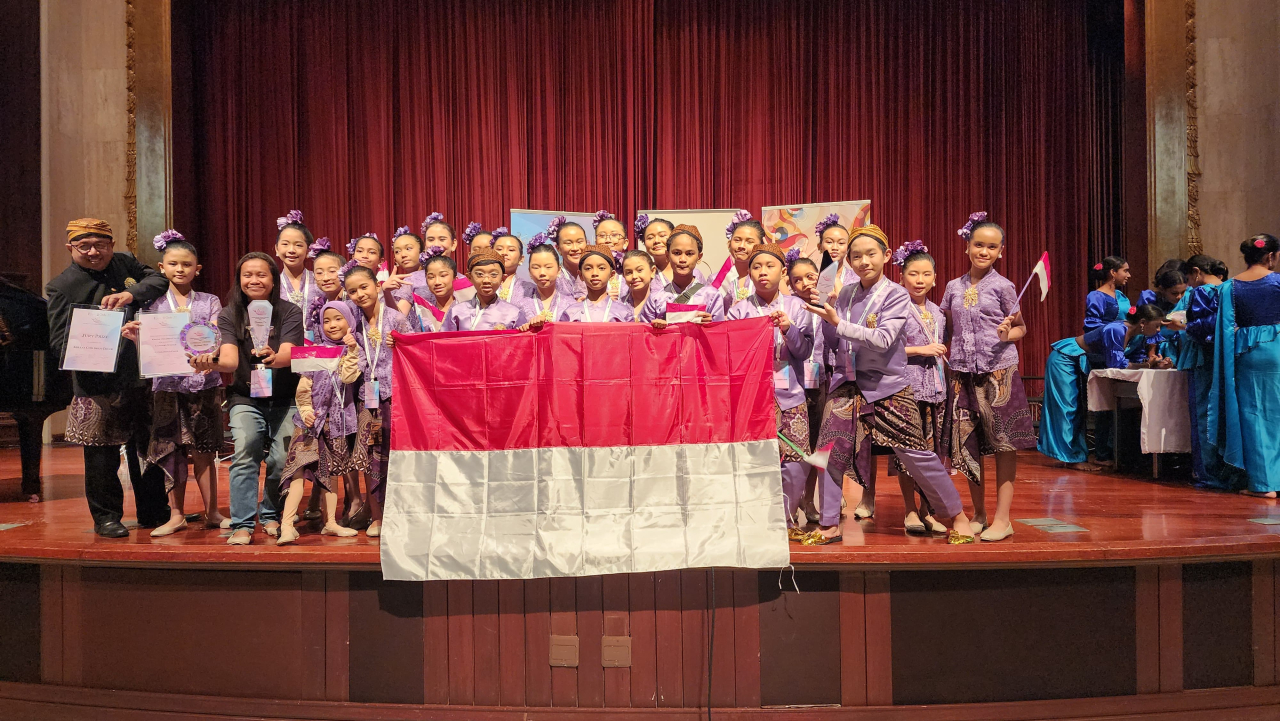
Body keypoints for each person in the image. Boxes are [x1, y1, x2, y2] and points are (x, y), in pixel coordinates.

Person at [807, 224, 976, 544]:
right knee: (827, 452)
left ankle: (956, 513)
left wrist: (838, 322)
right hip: (848, 382)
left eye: (870, 254)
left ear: (885, 256)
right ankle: (829, 522)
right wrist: (823, 314)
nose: (862, 261)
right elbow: (833, 341)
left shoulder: (896, 295)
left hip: (888, 385)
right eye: (856, 256)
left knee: (915, 454)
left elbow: (884, 340)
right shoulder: (845, 293)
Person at [46, 218, 170, 537]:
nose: (93, 252)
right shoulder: (61, 286)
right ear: (70, 248)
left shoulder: (123, 263)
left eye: (100, 245)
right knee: (101, 454)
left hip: (139, 374)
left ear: (111, 246)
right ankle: (106, 517)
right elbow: (59, 343)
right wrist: (107, 337)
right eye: (84, 246)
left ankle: (154, 511)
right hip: (96, 382)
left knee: (146, 449)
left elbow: (158, 281)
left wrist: (130, 296)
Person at [191, 252, 303, 545]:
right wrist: (210, 363)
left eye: (262, 274)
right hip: (245, 397)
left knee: (282, 459)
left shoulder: (290, 311)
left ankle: (269, 515)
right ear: (239, 280)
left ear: (273, 279)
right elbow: (228, 359)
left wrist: (274, 357)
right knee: (247, 448)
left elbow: (290, 353)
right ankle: (241, 524)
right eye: (247, 275)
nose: (254, 280)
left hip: (284, 397)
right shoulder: (229, 313)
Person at [120, 230, 226, 536]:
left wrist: (211, 353)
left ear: (197, 269)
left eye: (186, 264)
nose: (180, 269)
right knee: (172, 450)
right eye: (173, 264)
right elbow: (152, 350)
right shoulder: (152, 306)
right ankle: (176, 513)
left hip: (204, 385)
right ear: (161, 267)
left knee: (205, 450)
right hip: (167, 387)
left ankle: (213, 512)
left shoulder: (209, 301)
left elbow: (217, 336)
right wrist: (137, 339)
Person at [939, 214, 1037, 542]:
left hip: (999, 373)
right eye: (978, 244)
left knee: (1004, 444)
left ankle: (1003, 518)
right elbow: (948, 328)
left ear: (1001, 251)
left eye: (991, 247)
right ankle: (978, 512)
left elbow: (1021, 327)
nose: (984, 251)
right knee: (968, 444)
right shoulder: (953, 287)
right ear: (967, 246)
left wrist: (1010, 333)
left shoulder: (1004, 286)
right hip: (962, 373)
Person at [726, 243, 814, 538]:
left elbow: (803, 352)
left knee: (795, 458)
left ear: (783, 271)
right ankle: (754, 520)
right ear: (748, 272)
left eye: (770, 266)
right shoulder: (738, 310)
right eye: (756, 266)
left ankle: (787, 520)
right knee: (753, 459)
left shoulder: (797, 308)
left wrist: (789, 329)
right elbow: (730, 354)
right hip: (750, 396)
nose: (763, 271)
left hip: (789, 392)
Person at [1037, 304, 1169, 471]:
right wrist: (1146, 365)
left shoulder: (1136, 335)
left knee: (1077, 409)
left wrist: (1155, 363)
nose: (1158, 330)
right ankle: (1071, 458)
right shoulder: (1116, 329)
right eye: (1156, 325)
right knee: (1068, 409)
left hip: (1079, 362)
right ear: (1142, 322)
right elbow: (1117, 364)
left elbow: (1134, 362)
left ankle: (1074, 455)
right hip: (1065, 359)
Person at [276, 301, 363, 544]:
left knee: (331, 473)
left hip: (337, 423)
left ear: (349, 321)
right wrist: (305, 411)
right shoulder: (314, 351)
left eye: (338, 319)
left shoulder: (355, 350)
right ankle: (286, 525)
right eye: (326, 320)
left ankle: (331, 523)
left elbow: (349, 376)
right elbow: (304, 387)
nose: (332, 325)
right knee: (297, 471)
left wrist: (353, 350)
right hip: (309, 424)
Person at [1207, 234, 1280, 498]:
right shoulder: (1278, 282)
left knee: (1255, 417)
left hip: (1248, 352)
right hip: (1278, 347)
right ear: (1271, 256)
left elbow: (1224, 329)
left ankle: (1264, 484)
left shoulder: (1229, 287)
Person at [344, 265, 412, 537]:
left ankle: (402, 514)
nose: (359, 294)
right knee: (370, 459)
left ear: (376, 285)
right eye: (352, 291)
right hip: (366, 401)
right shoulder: (351, 323)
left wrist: (402, 345)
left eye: (364, 287)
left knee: (397, 459)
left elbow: (414, 349)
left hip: (396, 399)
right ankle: (376, 517)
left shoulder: (395, 318)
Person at [889, 241, 948, 535]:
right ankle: (909, 510)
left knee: (933, 452)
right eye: (913, 274)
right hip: (907, 389)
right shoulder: (897, 309)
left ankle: (928, 511)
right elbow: (888, 348)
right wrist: (923, 350)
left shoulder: (939, 313)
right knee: (908, 452)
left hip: (935, 390)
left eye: (926, 274)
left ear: (935, 278)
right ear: (901, 277)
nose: (920, 280)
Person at [309, 246, 367, 526]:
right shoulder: (315, 305)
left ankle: (357, 499)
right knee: (331, 446)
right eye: (318, 271)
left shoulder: (354, 301)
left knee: (351, 444)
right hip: (325, 386)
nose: (325, 276)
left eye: (332, 270)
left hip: (356, 384)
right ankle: (332, 504)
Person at [1178, 254, 1242, 489]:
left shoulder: (1203, 292)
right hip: (1228, 356)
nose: (1188, 283)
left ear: (1196, 272)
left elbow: (1204, 326)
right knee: (1226, 412)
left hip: (1204, 358)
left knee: (1204, 413)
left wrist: (1183, 326)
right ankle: (1230, 469)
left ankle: (1208, 471)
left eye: (1188, 278)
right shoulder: (1232, 288)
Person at [639, 225, 726, 326]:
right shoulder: (656, 299)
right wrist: (656, 330)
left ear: (699, 257)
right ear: (667, 256)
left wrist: (711, 325)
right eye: (677, 253)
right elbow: (643, 335)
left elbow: (720, 336)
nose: (683, 259)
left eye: (689, 254)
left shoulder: (711, 296)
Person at [443, 249, 530, 331]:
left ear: (503, 278)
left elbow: (522, 343)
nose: (486, 280)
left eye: (493, 274)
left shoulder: (514, 313)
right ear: (469, 277)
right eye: (480, 274)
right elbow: (444, 342)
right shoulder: (457, 311)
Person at [275, 210, 320, 338]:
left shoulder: (319, 281)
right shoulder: (272, 284)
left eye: (298, 245)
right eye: (285, 244)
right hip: (282, 346)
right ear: (277, 249)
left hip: (317, 347)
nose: (291, 250)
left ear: (308, 251)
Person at [559, 247, 634, 322]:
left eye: (601, 268)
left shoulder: (623, 312)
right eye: (588, 268)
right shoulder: (570, 313)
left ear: (612, 274)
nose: (595, 273)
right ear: (581, 275)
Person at [637, 215, 706, 291]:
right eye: (650, 237)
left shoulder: (695, 273)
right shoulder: (643, 274)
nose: (656, 241)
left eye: (662, 235)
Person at [421, 212, 476, 302]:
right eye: (431, 240)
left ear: (453, 244)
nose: (436, 244)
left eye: (442, 239)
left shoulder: (467, 283)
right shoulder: (411, 281)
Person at [516, 236, 571, 326]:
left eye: (548, 267)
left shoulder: (570, 305)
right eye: (536, 267)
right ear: (529, 271)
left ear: (559, 270)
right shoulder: (521, 306)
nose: (542, 273)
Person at [720, 211, 763, 307]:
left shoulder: (765, 277)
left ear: (760, 246)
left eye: (749, 242)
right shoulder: (717, 279)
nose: (742, 246)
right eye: (737, 240)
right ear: (729, 244)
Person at [382, 226, 426, 317]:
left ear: (422, 251)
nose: (403, 255)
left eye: (408, 248)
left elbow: (398, 317)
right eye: (397, 251)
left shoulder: (411, 280)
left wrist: (386, 292)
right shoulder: (396, 282)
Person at [410, 250, 457, 332]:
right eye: (431, 277)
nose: (437, 282)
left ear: (455, 279)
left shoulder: (465, 307)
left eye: (443, 275)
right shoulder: (422, 309)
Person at [813, 214, 855, 305]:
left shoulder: (856, 279)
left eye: (841, 243)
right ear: (819, 246)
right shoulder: (812, 277)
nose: (835, 247)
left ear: (848, 248)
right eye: (829, 242)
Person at [1085, 256, 1131, 331]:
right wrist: (1119, 328)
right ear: (1113, 272)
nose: (1129, 275)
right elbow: (1092, 325)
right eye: (1125, 271)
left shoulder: (1120, 295)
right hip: (1107, 339)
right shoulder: (1097, 296)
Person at [549, 216, 589, 301]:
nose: (575, 248)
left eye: (579, 242)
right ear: (558, 249)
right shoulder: (552, 279)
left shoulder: (596, 274)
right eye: (568, 243)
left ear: (587, 244)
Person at [491, 229, 535, 303]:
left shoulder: (530, 289)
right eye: (499, 249)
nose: (504, 253)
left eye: (511, 250)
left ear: (521, 259)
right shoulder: (482, 284)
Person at [593, 211, 628, 299]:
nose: (608, 240)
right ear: (595, 242)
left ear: (625, 243)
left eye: (614, 235)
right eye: (602, 235)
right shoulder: (588, 268)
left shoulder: (632, 265)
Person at [620, 249, 657, 321]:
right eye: (628, 272)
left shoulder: (662, 301)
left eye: (639, 270)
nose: (634, 276)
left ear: (652, 271)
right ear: (624, 276)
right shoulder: (619, 305)